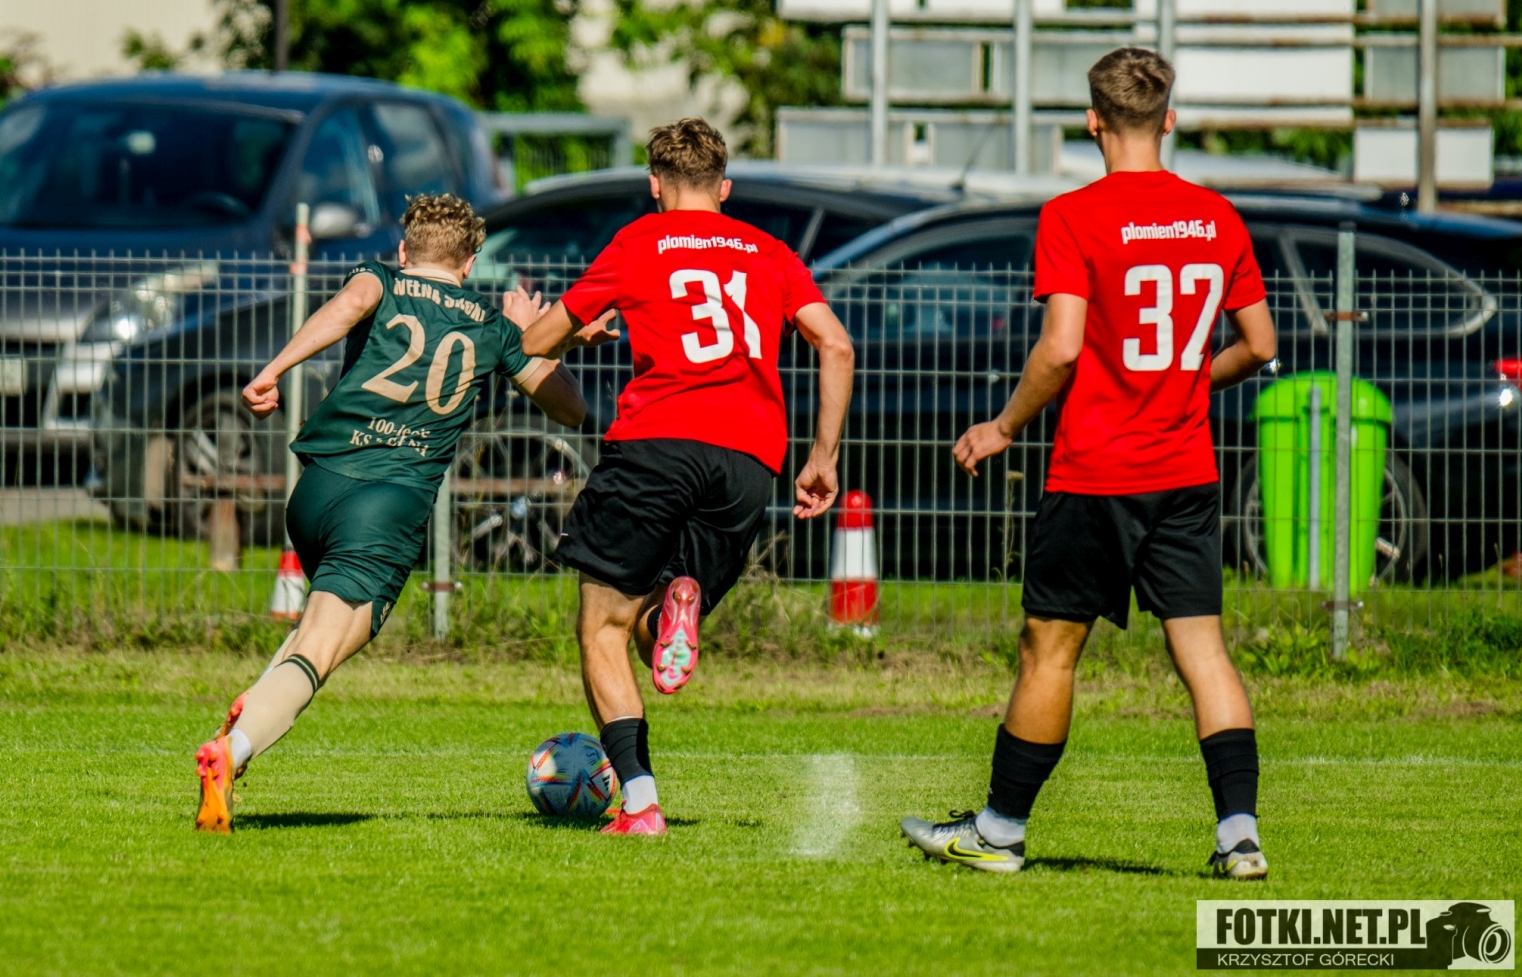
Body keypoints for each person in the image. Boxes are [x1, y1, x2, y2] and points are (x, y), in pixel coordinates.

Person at [900, 48, 1279, 878]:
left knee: (1049, 651)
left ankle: (1000, 833)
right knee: (1204, 654)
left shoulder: (1074, 216)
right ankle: (1239, 837)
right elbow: (1260, 344)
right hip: (1186, 471)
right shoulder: (1216, 218)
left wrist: (1003, 425)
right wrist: (1188, 379)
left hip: (1098, 471)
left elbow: (1061, 348)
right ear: (1169, 119)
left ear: (1092, 121)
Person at [194, 194, 615, 833]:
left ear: (403, 250)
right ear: (470, 264)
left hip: (317, 488)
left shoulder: (380, 279)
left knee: (319, 629)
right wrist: (546, 339)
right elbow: (572, 410)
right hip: (385, 504)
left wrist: (272, 371)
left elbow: (349, 306)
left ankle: (253, 712)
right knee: (321, 647)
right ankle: (232, 750)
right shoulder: (491, 325)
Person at [520, 117, 855, 836]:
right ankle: (678, 603)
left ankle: (641, 804)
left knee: (601, 627)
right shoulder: (769, 251)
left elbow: (537, 343)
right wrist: (822, 455)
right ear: (724, 188)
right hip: (749, 462)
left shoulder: (641, 241)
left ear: (654, 185)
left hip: (657, 444)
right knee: (651, 633)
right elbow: (836, 344)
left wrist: (561, 327)